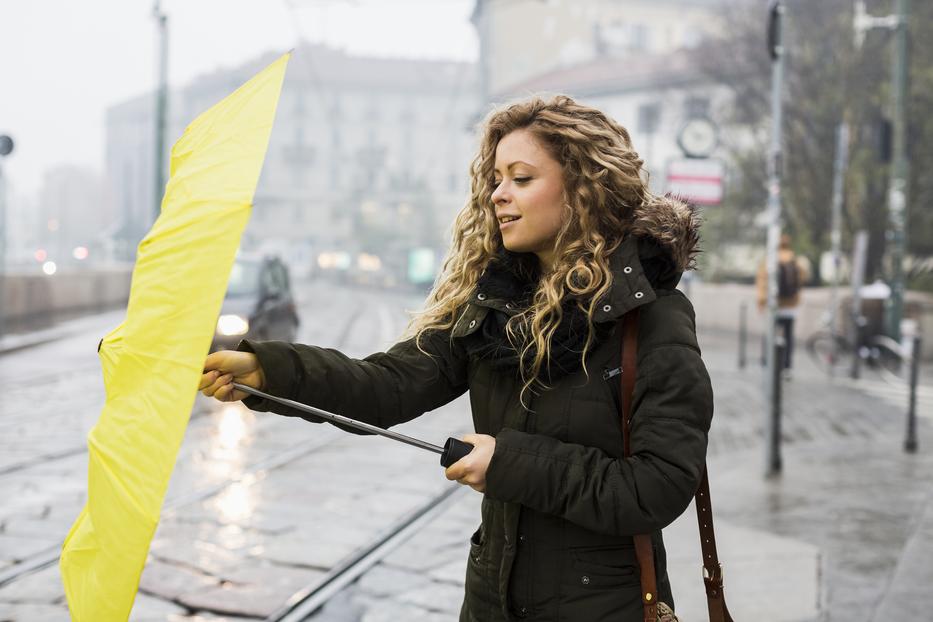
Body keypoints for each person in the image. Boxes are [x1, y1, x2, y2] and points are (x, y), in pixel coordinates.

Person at [200, 95, 713, 621]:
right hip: (491, 602)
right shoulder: (495, 306)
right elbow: (386, 384)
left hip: (602, 606)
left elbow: (656, 486)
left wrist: (508, 462)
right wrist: (270, 370)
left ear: (583, 189)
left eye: (521, 178)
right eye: (496, 179)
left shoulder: (651, 316)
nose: (499, 195)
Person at [756, 233, 811, 376]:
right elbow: (803, 278)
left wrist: (761, 302)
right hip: (791, 306)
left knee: (770, 334)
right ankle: (787, 366)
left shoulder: (770, 260)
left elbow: (762, 282)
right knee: (788, 335)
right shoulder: (795, 259)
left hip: (774, 305)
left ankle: (767, 361)